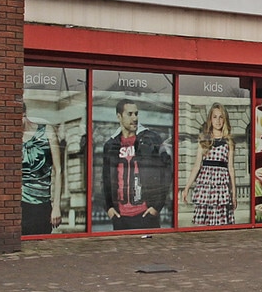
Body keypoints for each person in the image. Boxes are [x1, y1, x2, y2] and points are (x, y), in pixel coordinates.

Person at [101, 99, 171, 231]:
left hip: (146, 215)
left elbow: (166, 172)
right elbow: (105, 180)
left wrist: (156, 207)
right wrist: (109, 208)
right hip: (120, 218)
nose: (135, 118)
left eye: (136, 114)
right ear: (119, 117)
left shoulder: (151, 139)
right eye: (130, 114)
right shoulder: (110, 145)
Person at [187, 103, 235, 226]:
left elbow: (231, 168)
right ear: (210, 119)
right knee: (203, 224)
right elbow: (197, 166)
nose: (218, 121)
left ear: (225, 119)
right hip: (205, 186)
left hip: (221, 188)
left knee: (221, 223)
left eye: (221, 117)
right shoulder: (204, 139)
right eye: (215, 117)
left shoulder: (228, 141)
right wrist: (186, 188)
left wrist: (233, 193)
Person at [21, 117, 58, 236]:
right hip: (20, 202)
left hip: (42, 203)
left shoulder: (47, 131)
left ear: (23, 115)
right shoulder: (11, 137)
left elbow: (58, 170)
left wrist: (57, 206)